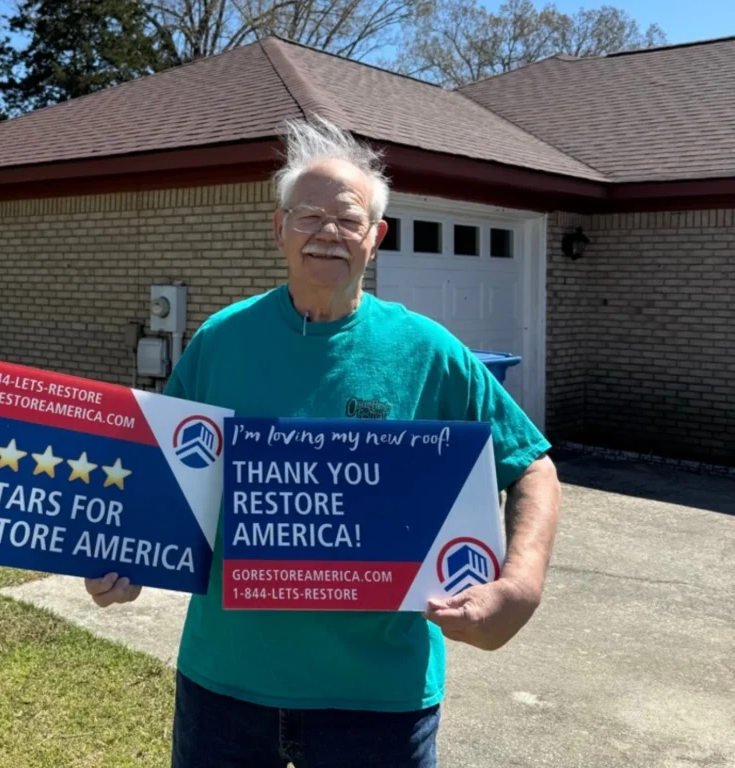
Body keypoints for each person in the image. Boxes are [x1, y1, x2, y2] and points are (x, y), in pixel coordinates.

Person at [84, 116, 562, 767]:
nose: (327, 233)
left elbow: (531, 463)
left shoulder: (428, 352)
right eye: (308, 216)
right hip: (226, 687)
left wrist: (521, 583)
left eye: (348, 220)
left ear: (376, 238)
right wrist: (131, 554)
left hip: (380, 700)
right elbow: (163, 475)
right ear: (278, 229)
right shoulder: (221, 342)